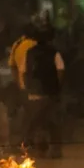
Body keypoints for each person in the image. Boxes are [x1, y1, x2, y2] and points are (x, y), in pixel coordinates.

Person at [22, 22, 65, 158]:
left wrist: (27, 88)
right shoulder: (54, 52)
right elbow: (60, 70)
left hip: (33, 94)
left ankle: (38, 150)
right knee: (52, 122)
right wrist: (58, 87)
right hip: (50, 93)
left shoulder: (29, 53)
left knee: (37, 122)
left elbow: (23, 72)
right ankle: (55, 150)